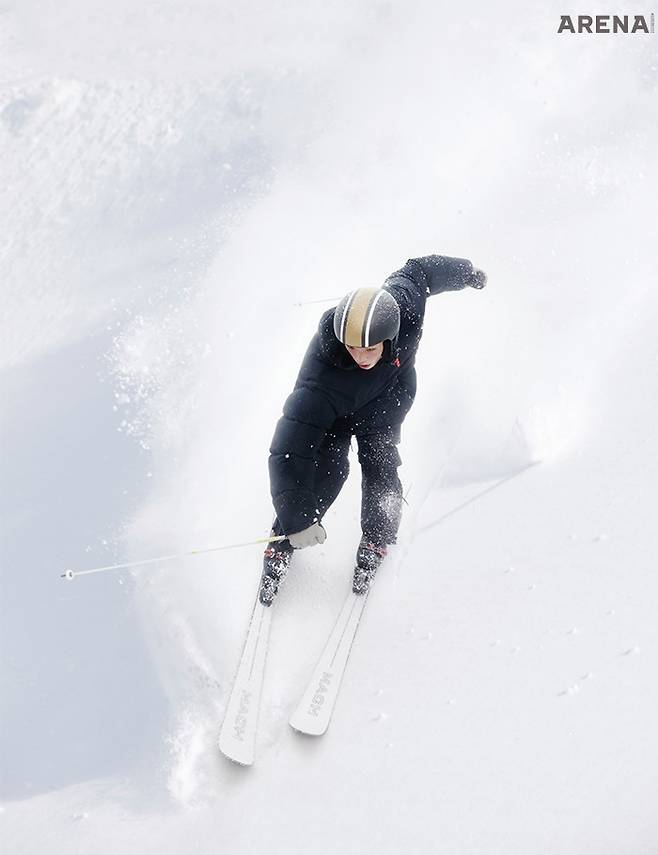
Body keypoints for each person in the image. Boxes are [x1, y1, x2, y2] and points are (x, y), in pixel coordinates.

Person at [260, 254, 487, 606]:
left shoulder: (403, 308)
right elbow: (289, 451)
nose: (360, 357)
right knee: (331, 469)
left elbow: (421, 272)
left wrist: (466, 274)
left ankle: (376, 539)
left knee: (380, 463)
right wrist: (297, 519)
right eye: (352, 347)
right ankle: (282, 544)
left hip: (385, 401)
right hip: (333, 414)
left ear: (390, 336)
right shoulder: (318, 383)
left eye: (369, 348)